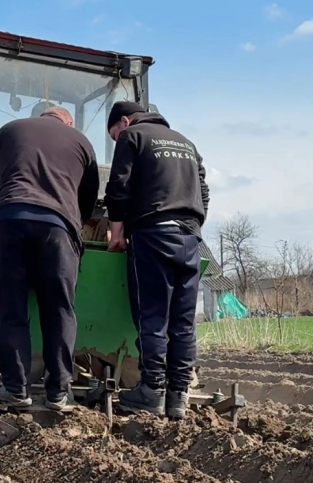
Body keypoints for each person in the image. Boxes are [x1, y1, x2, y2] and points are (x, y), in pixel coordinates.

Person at [0, 106, 100, 412]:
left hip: (9, 220)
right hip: (58, 228)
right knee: (60, 309)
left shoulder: (8, 130)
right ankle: (59, 392)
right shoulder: (81, 142)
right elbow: (88, 198)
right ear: (68, 121)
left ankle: (16, 390)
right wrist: (74, 225)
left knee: (11, 309)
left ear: (39, 116)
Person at [103, 101, 210, 419]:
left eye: (113, 136)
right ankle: (178, 397)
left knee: (153, 316)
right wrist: (191, 224)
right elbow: (203, 192)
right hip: (190, 237)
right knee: (183, 321)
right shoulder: (186, 143)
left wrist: (117, 233)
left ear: (124, 121)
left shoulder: (132, 136)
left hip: (153, 233)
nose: (115, 141)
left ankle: (152, 391)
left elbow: (118, 187)